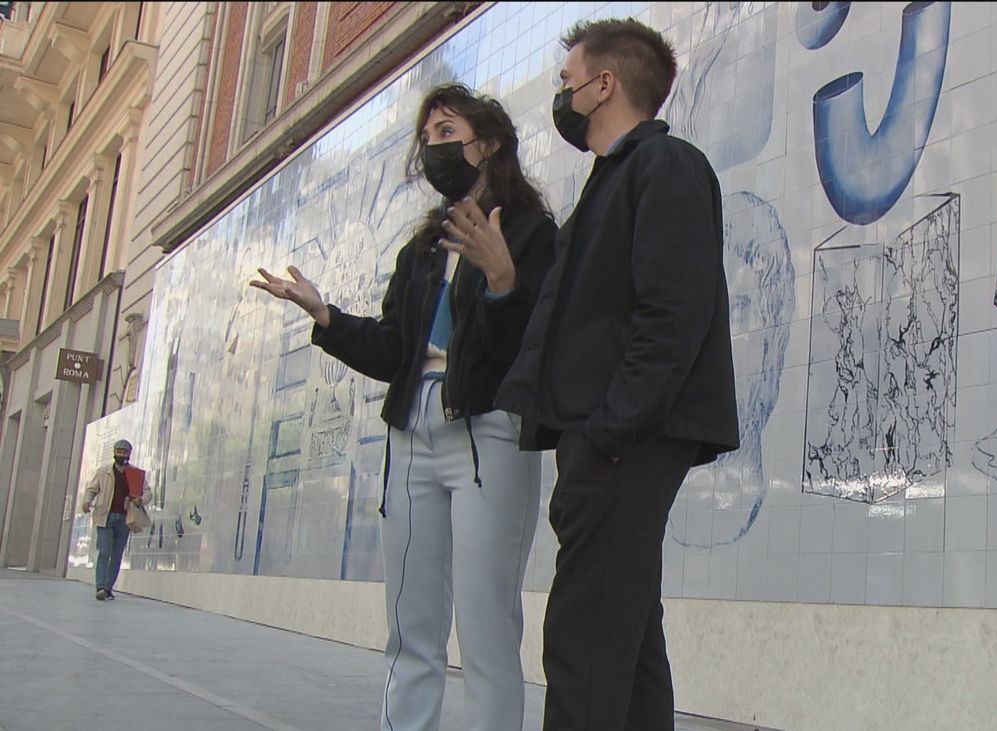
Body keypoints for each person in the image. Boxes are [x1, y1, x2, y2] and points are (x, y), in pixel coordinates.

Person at [250, 84, 556, 731]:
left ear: (489, 142)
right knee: (410, 625)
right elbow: (395, 349)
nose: (433, 147)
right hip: (411, 436)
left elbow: (534, 350)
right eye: (427, 137)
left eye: (447, 132)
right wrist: (325, 316)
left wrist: (503, 282)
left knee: (486, 625)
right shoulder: (422, 249)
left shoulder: (530, 232)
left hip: (487, 437)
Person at [495, 18, 739, 731]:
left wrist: (608, 431)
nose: (560, 93)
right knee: (624, 647)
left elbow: (673, 312)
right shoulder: (612, 184)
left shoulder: (666, 168)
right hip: (608, 438)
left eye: (566, 79)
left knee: (584, 645)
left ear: (605, 85)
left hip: (626, 440)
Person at [81, 439, 150, 601]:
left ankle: (108, 587)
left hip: (125, 517)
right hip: (105, 515)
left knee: (117, 554)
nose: (121, 455)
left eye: (124, 453)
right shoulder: (104, 471)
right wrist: (86, 501)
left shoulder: (135, 473)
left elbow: (147, 492)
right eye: (119, 452)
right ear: (114, 453)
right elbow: (92, 489)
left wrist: (141, 499)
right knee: (104, 552)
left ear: (129, 454)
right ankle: (100, 586)